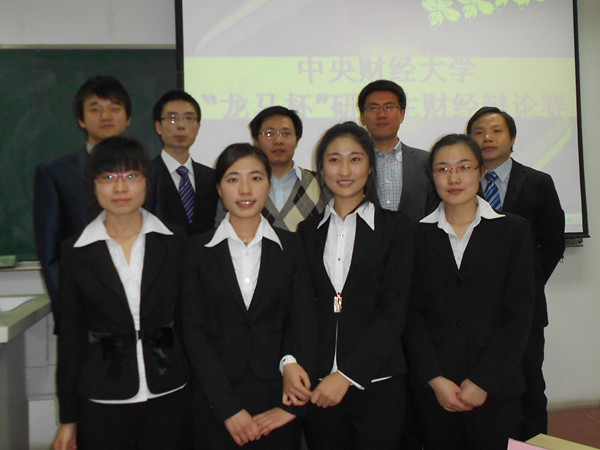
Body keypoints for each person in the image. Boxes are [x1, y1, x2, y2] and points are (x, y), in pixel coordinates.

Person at [52, 137, 191, 450]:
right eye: (108, 177)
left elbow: (189, 321)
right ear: (93, 185)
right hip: (102, 398)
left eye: (131, 176)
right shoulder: (76, 251)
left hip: (171, 390)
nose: (120, 188)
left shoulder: (175, 241)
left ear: (146, 181)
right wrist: (68, 418)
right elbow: (71, 337)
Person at [182, 143, 317, 449]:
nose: (245, 189)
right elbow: (194, 332)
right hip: (214, 401)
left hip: (278, 397)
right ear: (219, 188)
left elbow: (304, 322)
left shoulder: (292, 247)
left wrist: (292, 403)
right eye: (233, 179)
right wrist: (228, 409)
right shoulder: (196, 250)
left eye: (256, 178)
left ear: (269, 184)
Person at [405, 134, 535, 450]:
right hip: (437, 392)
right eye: (443, 169)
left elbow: (519, 315)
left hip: (498, 388)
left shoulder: (513, 230)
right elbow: (410, 316)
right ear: (432, 175)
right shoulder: (415, 236)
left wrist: (483, 381)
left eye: (464, 167)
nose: (453, 178)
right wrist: (435, 379)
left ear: (481, 172)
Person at [297, 122, 414, 450]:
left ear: (371, 166)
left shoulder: (397, 229)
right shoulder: (307, 232)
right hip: (320, 386)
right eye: (334, 160)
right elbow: (302, 309)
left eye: (355, 159)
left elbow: (394, 311)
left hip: (378, 382)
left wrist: (346, 375)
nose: (345, 170)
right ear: (321, 168)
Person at [466, 107, 565, 439]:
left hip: (525, 311)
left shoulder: (538, 182)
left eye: (496, 131)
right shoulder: (460, 184)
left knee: (529, 387)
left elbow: (552, 244)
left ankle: (531, 445)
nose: (487, 138)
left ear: (511, 138)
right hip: (473, 312)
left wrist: (525, 287)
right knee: (481, 389)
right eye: (479, 132)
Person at [34, 75, 132, 332]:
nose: (105, 116)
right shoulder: (56, 174)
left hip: (140, 311)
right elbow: (50, 254)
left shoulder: (148, 173)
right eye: (95, 109)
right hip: (82, 312)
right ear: (81, 119)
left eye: (114, 108)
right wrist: (68, 314)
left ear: (128, 118)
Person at [357, 79, 437, 221]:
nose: (381, 114)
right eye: (373, 108)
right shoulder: (353, 164)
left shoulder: (426, 161)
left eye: (389, 107)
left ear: (402, 114)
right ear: (362, 117)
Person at [147, 90, 218, 235]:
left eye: (188, 119)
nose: (181, 125)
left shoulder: (212, 177)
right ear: (158, 126)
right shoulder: (144, 175)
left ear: (197, 128)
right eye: (172, 119)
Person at [248, 106, 328, 231]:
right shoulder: (241, 185)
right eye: (269, 134)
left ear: (297, 140)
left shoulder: (321, 183)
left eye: (286, 134)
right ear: (256, 141)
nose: (278, 140)